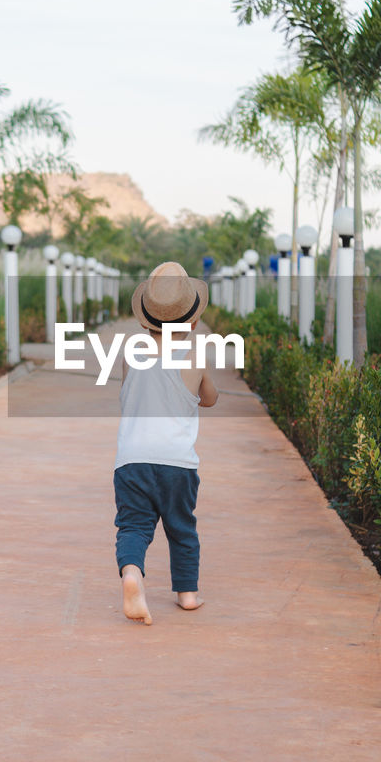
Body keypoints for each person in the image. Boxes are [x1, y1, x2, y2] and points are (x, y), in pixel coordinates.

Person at [113, 261, 218, 626]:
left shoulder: (130, 355)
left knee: (133, 526)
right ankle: (187, 594)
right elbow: (210, 399)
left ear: (145, 321)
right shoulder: (194, 357)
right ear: (193, 323)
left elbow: (128, 396)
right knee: (181, 528)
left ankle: (131, 573)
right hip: (177, 464)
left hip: (132, 461)